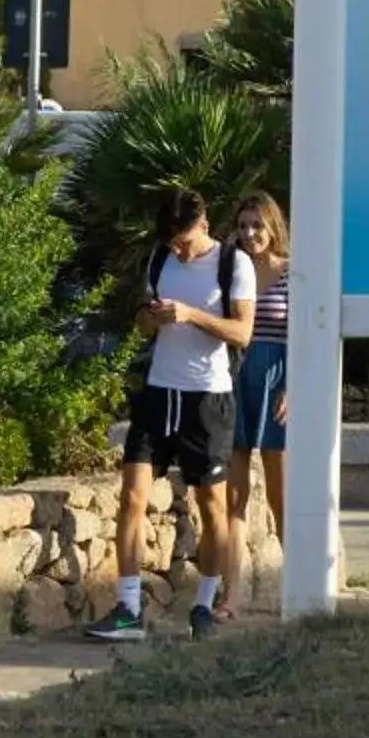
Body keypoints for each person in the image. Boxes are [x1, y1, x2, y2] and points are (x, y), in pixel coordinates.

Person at [86, 184, 255, 643]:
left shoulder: (232, 264)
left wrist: (191, 315)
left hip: (207, 399)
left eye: (184, 241)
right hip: (159, 392)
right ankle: (128, 608)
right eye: (171, 243)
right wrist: (152, 319)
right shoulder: (159, 260)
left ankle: (203, 604)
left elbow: (242, 333)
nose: (178, 251)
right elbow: (142, 326)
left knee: (212, 505)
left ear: (203, 224)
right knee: (132, 497)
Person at [225, 191, 289, 590]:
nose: (250, 233)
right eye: (243, 225)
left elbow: (308, 333)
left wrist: (294, 387)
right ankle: (230, 595)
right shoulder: (231, 270)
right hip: (235, 378)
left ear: (272, 226)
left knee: (280, 497)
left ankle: (297, 588)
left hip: (276, 380)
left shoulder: (292, 271)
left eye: (257, 225)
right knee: (234, 498)